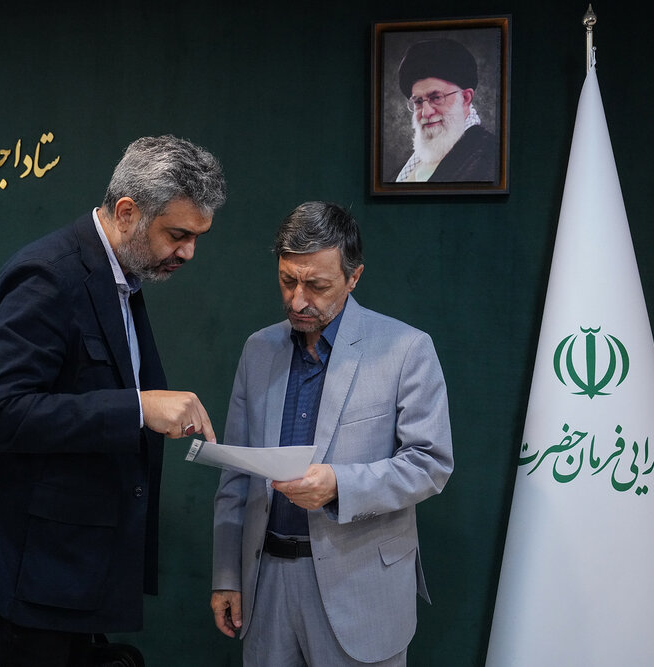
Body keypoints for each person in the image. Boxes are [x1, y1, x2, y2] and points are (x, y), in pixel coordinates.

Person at [0, 134, 226, 666]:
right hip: (24, 576)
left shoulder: (122, 276)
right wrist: (139, 408)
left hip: (73, 572)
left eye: (197, 237)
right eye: (178, 235)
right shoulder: (48, 276)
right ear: (128, 213)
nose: (188, 252)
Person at [210, 201, 454, 666]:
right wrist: (226, 575)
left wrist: (339, 485)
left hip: (361, 588)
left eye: (317, 286)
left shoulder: (406, 349)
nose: (297, 300)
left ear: (353, 277)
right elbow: (235, 477)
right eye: (288, 281)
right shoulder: (258, 350)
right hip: (266, 585)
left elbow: (430, 463)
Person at [394, 38, 498, 183]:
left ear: (465, 98)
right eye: (418, 101)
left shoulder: (491, 157)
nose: (426, 113)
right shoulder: (410, 164)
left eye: (436, 97)